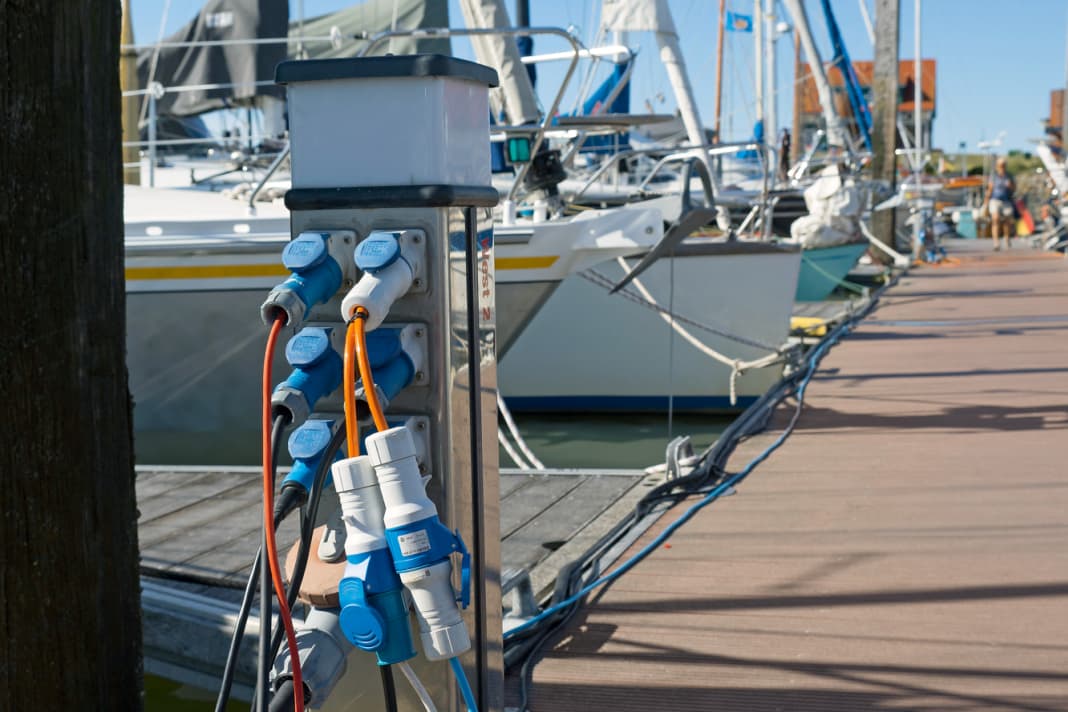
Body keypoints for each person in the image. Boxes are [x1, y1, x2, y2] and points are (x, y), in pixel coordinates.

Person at [984, 157, 1016, 250]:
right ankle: (996, 242)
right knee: (995, 219)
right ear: (997, 166)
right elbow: (990, 189)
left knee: (1007, 220)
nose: (1002, 167)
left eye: (1003, 165)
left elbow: (1014, 189)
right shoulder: (994, 176)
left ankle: (1006, 238)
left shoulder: (1009, 176)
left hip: (1006, 200)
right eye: (1000, 165)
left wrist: (1011, 186)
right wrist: (986, 200)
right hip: (995, 200)